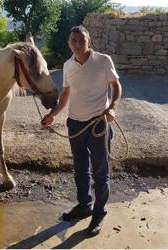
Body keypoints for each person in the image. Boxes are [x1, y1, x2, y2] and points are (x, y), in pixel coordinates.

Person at [41, 25, 122, 236]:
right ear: (69, 43)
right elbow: (66, 93)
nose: (78, 44)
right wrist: (53, 114)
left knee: (100, 173)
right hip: (75, 124)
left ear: (89, 41)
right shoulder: (68, 65)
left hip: (98, 125)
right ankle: (84, 205)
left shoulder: (103, 61)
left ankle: (99, 212)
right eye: (74, 41)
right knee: (80, 169)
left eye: (81, 41)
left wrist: (112, 107)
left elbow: (116, 87)